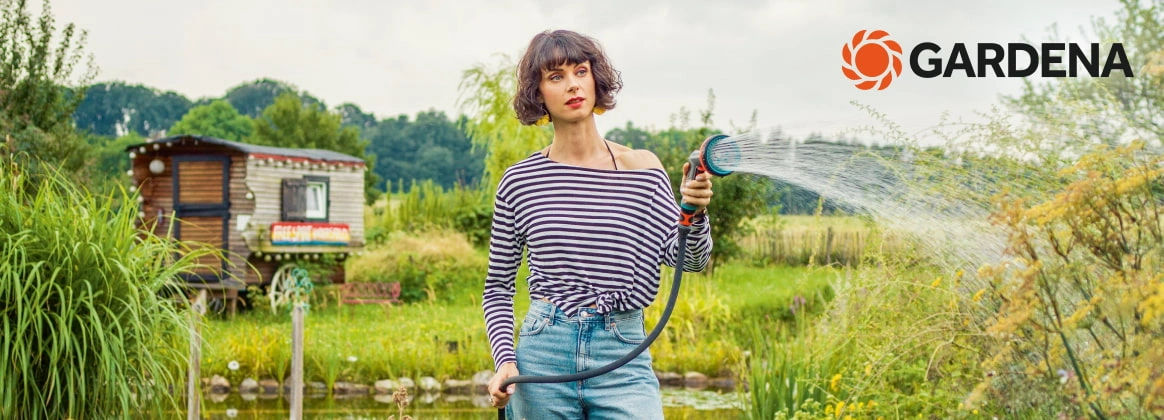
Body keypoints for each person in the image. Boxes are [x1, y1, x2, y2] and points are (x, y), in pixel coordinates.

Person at [482, 29, 715, 419]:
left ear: (595, 79)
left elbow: (689, 262)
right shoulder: (520, 181)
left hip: (623, 354)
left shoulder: (643, 169)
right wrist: (505, 362)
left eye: (580, 71)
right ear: (538, 93)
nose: (572, 84)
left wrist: (695, 213)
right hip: (543, 357)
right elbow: (497, 288)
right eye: (556, 76)